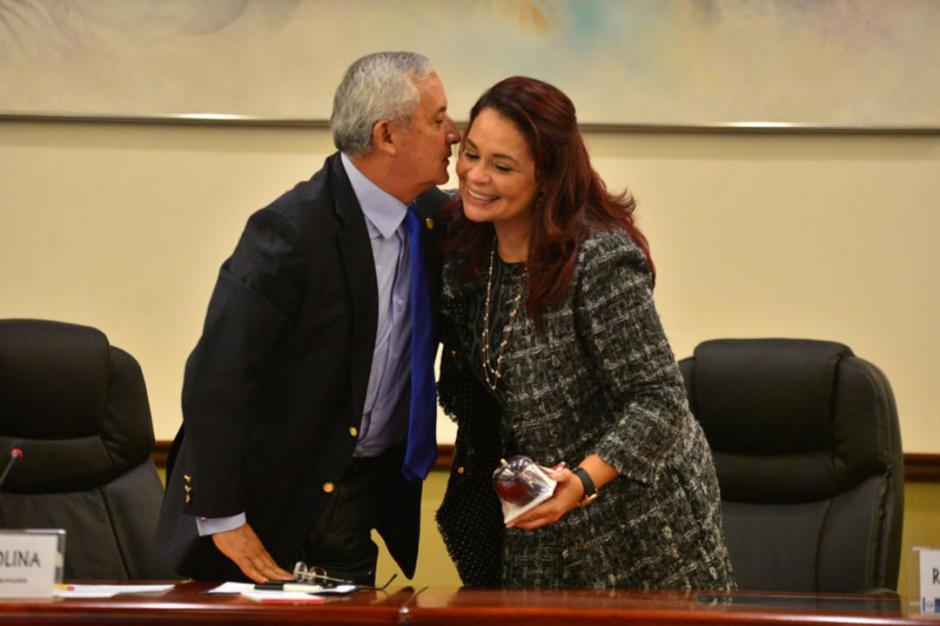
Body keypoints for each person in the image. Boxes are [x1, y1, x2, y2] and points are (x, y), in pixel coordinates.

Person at [157, 51, 460, 585]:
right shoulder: (290, 232)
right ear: (387, 135)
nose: (453, 134)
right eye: (438, 119)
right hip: (259, 508)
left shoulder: (435, 221)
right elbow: (218, 375)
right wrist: (223, 516)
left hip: (356, 502)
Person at [435, 76, 735, 590]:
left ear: (547, 178)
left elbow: (660, 399)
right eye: (472, 154)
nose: (475, 177)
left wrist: (586, 479)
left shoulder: (598, 259)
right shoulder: (466, 251)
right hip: (535, 521)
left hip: (639, 530)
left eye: (502, 166)